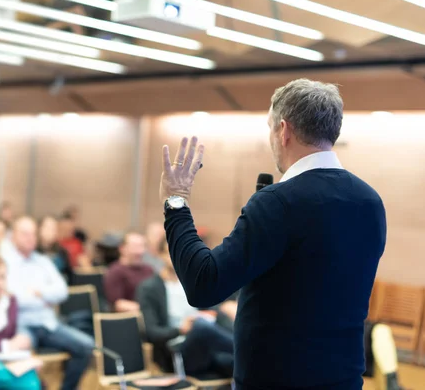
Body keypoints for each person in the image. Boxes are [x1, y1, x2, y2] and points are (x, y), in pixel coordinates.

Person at [160, 79, 387, 390]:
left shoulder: (279, 202)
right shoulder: (370, 201)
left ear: (284, 130)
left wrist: (176, 202)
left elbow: (204, 284)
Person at [3, 216, 94, 390]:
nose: (30, 238)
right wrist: (44, 299)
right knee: (20, 356)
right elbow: (13, 299)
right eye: (24, 234)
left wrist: (40, 293)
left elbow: (62, 291)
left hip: (48, 324)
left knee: (86, 346)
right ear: (13, 236)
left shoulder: (43, 262)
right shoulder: (6, 263)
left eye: (33, 234)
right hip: (21, 325)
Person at [137, 249, 234, 377]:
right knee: (200, 326)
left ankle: (249, 349)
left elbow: (212, 309)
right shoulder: (149, 288)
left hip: (207, 348)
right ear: (161, 256)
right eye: (173, 252)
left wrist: (214, 313)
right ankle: (249, 348)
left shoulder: (191, 282)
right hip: (176, 352)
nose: (180, 257)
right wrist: (181, 329)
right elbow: (152, 332)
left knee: (244, 363)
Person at [103, 232, 154, 312]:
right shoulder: (115, 271)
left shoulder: (149, 270)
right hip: (128, 319)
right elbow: (117, 304)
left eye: (142, 246)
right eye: (135, 247)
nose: (140, 251)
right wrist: (146, 309)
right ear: (122, 249)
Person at [37, 215, 73, 284]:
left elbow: (69, 278)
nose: (51, 232)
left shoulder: (62, 253)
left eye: (54, 229)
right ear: (39, 229)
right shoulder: (32, 252)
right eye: (48, 228)